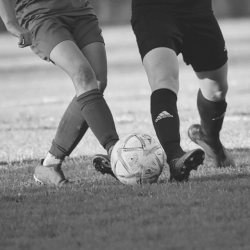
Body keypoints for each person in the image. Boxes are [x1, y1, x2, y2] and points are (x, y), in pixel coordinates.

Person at [94, 0, 235, 182]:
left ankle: (210, 139)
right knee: (163, 79)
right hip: (153, 10)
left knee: (217, 91)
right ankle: (175, 157)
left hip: (198, 9)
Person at [0, 0, 119, 186]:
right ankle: (117, 153)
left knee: (96, 82)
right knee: (83, 75)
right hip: (42, 15)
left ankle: (50, 165)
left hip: (82, 12)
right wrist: (11, 24)